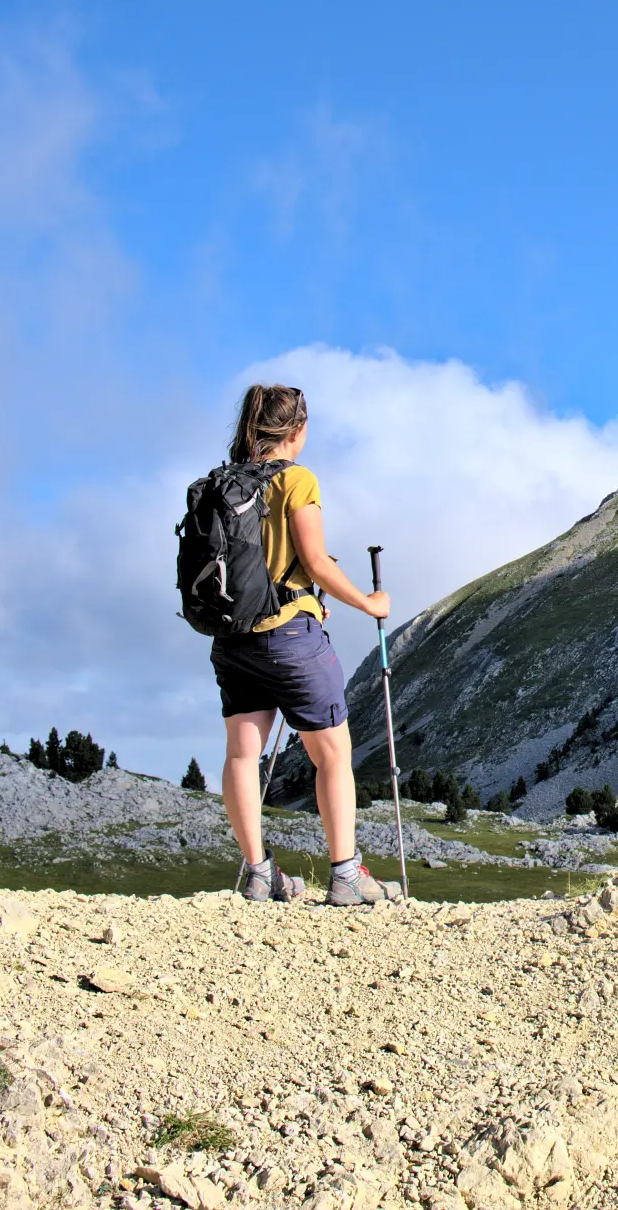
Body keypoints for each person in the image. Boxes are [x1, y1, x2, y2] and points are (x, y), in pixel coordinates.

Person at [210, 383, 390, 906]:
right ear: (298, 430)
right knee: (332, 753)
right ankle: (346, 877)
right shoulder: (297, 479)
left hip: (232, 638)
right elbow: (314, 560)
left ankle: (259, 875)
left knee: (243, 755)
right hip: (289, 638)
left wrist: (308, 596)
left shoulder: (225, 482)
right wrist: (367, 603)